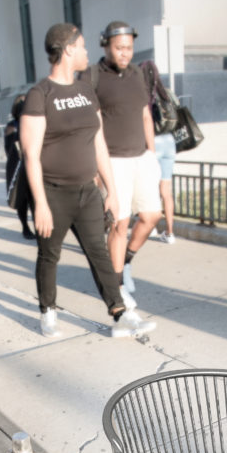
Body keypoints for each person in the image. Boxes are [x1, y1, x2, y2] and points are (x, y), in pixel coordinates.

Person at [20, 23, 155, 339]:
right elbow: (30, 154)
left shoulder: (84, 91)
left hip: (87, 191)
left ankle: (119, 312)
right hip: (53, 193)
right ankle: (48, 310)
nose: (85, 52)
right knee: (49, 254)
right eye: (81, 46)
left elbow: (99, 143)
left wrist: (110, 189)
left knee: (99, 253)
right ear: (67, 49)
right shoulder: (40, 95)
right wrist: (40, 204)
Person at [80, 21, 162, 301]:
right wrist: (97, 170)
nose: (125, 53)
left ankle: (126, 262)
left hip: (142, 158)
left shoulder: (137, 73)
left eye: (129, 47)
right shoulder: (92, 76)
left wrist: (152, 153)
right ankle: (116, 289)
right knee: (119, 224)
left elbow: (144, 115)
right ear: (106, 46)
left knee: (152, 216)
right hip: (113, 162)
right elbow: (90, 126)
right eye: (119, 48)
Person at [140, 60, 177, 244]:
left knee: (150, 188)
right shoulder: (166, 92)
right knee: (166, 191)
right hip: (170, 141)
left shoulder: (143, 96)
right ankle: (170, 233)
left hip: (152, 141)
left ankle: (151, 227)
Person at [4, 94, 34, 239]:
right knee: (21, 199)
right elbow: (8, 148)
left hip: (32, 163)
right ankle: (25, 227)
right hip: (17, 165)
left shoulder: (34, 122)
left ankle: (37, 227)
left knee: (34, 198)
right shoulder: (12, 126)